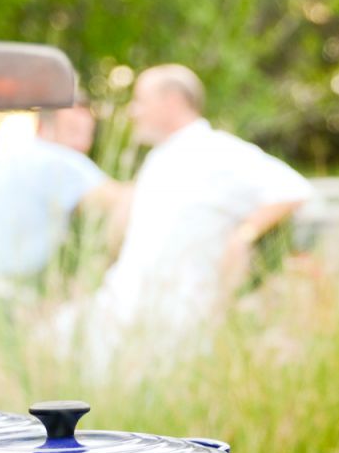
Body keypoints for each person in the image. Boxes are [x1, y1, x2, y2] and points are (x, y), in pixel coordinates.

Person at [90, 64, 315, 339]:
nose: (133, 111)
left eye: (140, 101)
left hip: (177, 322)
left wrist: (243, 235)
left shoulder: (216, 150)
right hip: (122, 312)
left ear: (171, 101)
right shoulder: (159, 156)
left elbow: (293, 189)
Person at [0, 100, 129, 313]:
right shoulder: (54, 158)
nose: (82, 145)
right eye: (73, 131)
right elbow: (124, 202)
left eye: (87, 133)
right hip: (4, 301)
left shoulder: (9, 159)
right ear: (42, 127)